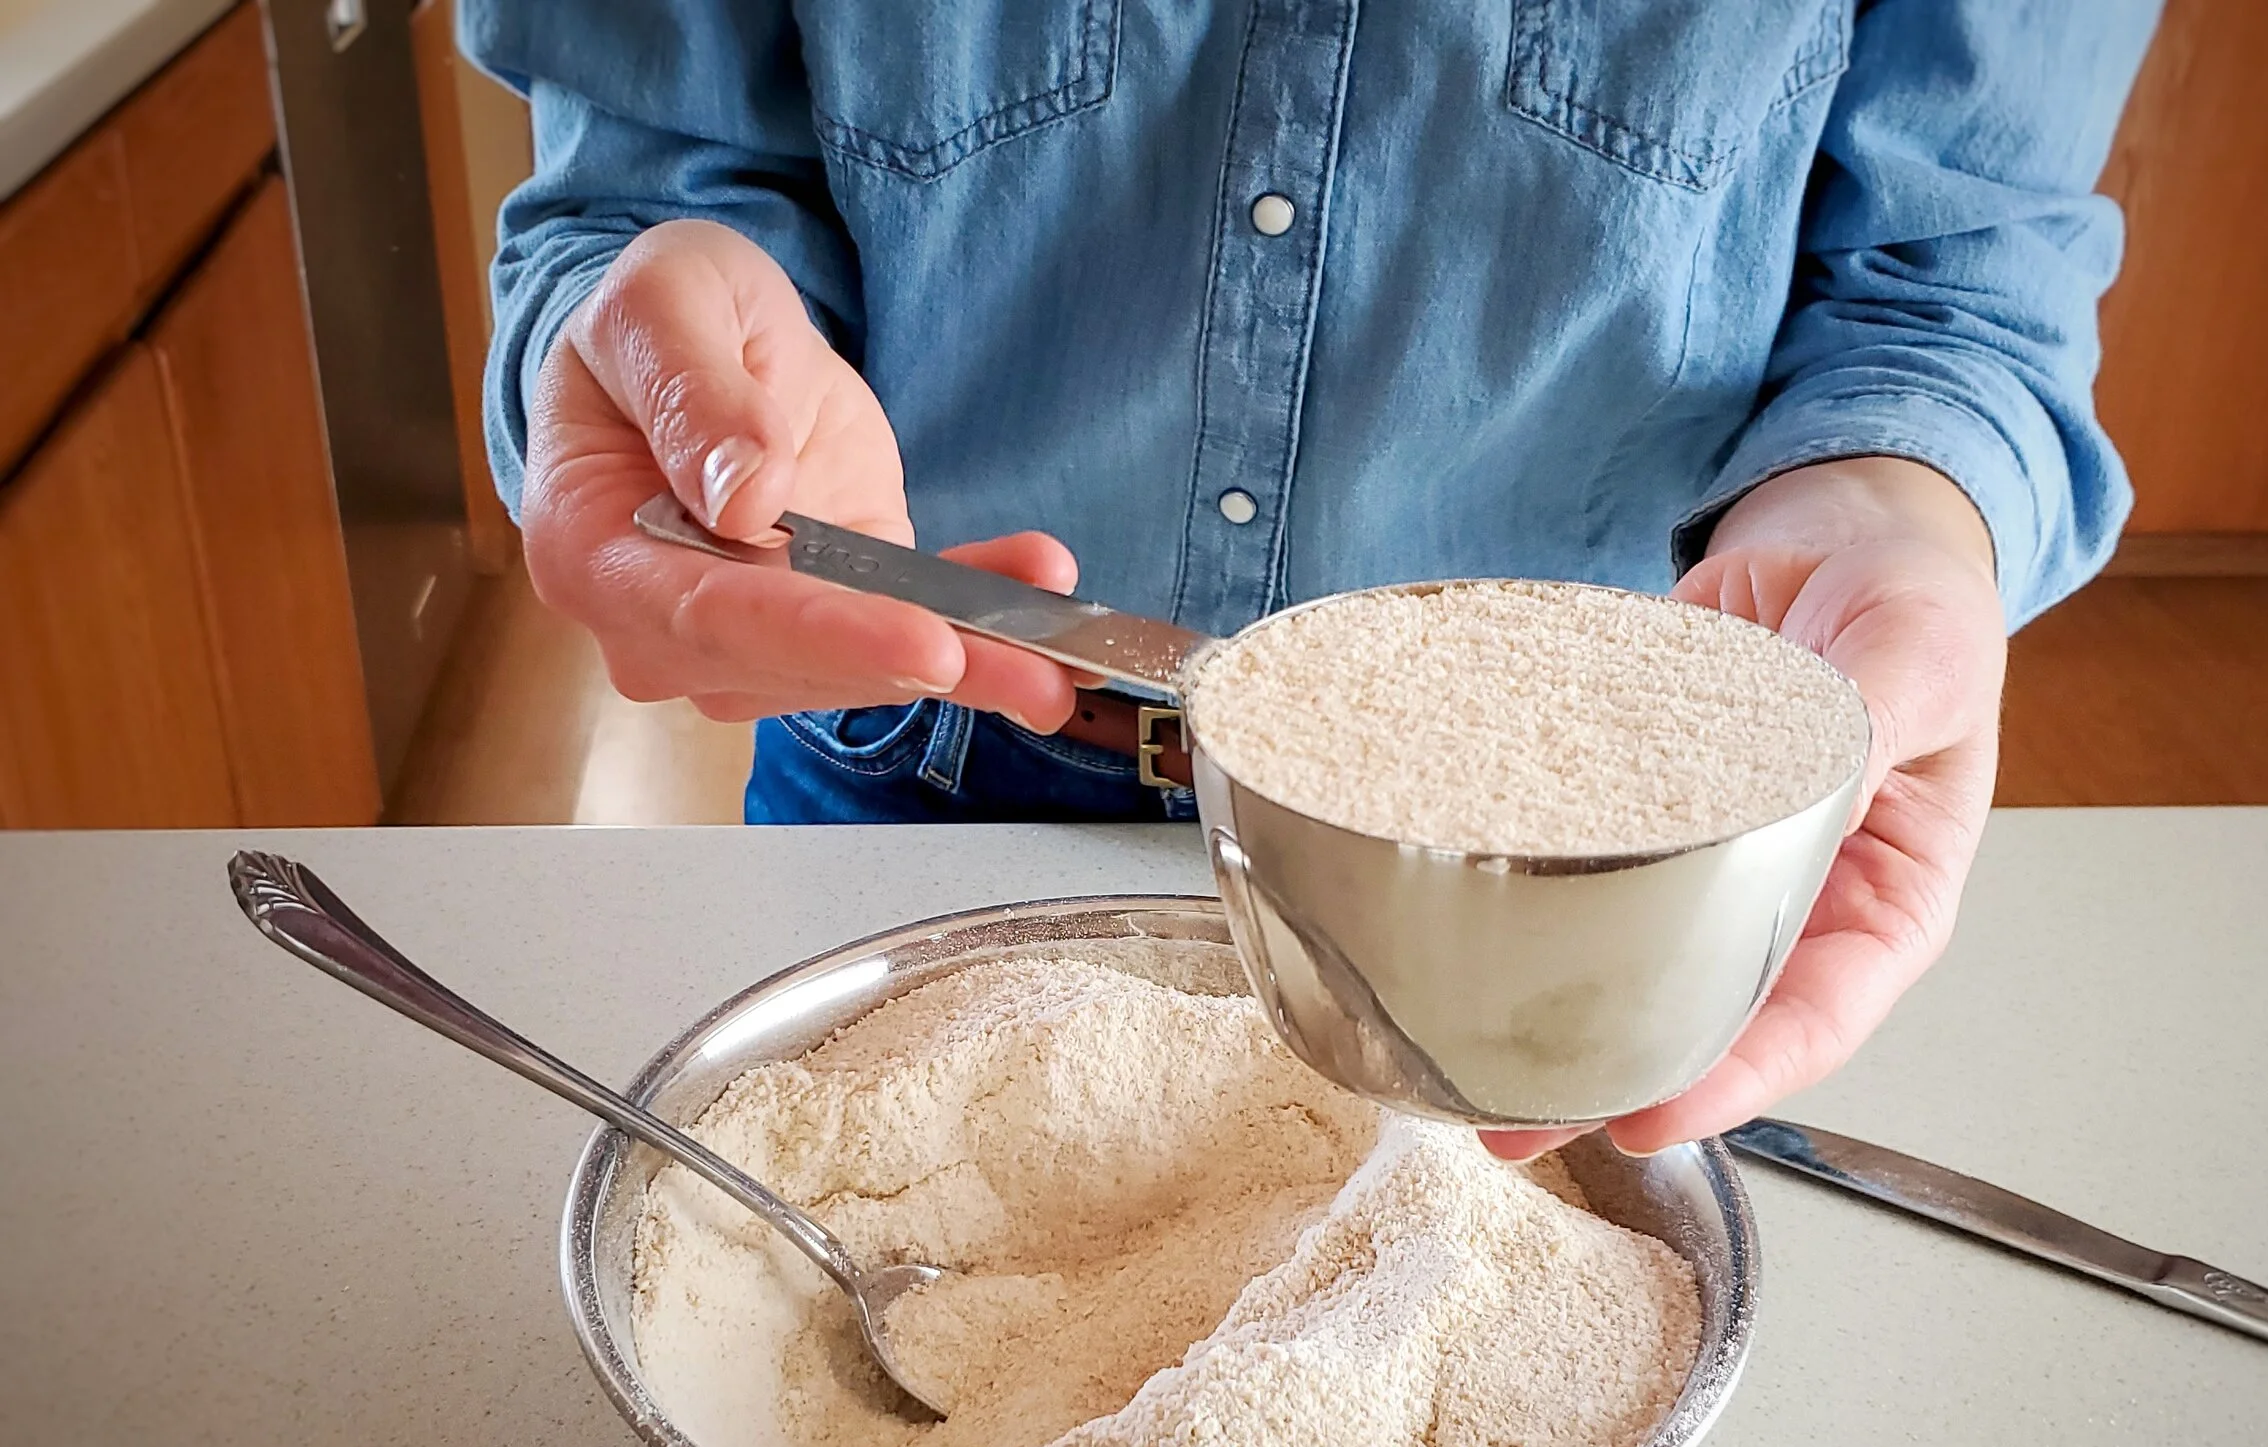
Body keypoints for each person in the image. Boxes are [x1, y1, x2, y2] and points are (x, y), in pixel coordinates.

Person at [461, 0, 2161, 1155]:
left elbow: (1951, 274)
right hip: (916, 760)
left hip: (1570, 877)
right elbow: (649, 181)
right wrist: (655, 361)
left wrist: (1898, 507)